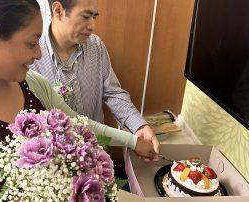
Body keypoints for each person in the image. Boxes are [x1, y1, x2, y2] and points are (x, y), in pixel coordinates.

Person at [0, 0, 158, 201]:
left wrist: (132, 139)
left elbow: (79, 124)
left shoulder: (33, 84)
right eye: (31, 43)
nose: (38, 54)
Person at [30, 0, 159, 156]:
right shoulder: (32, 57)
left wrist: (139, 126)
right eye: (85, 16)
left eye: (94, 17)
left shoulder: (95, 46)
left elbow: (113, 93)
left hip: (97, 153)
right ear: (58, 11)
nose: (92, 26)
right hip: (55, 161)